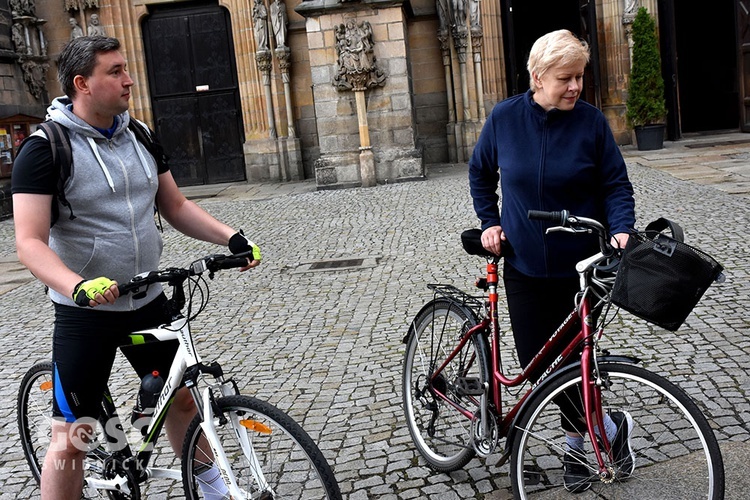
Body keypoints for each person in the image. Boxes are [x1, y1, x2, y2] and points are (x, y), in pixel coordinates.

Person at [11, 36, 261, 500]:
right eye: (115, 71)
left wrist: (230, 236)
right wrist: (78, 286)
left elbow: (176, 205)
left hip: (146, 298)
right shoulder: (45, 149)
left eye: (126, 69)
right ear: (82, 83)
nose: (128, 80)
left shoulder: (139, 135)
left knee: (180, 401)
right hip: (86, 311)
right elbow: (28, 242)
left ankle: (213, 491)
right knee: (75, 433)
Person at [468, 29, 636, 493]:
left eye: (580, 77)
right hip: (523, 264)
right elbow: (481, 173)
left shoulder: (591, 123)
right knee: (539, 366)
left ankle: (578, 447)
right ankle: (607, 428)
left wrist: (620, 229)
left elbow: (616, 185)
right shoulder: (504, 119)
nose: (575, 87)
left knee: (578, 364)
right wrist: (489, 221)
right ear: (538, 76)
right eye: (566, 78)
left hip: (585, 268)